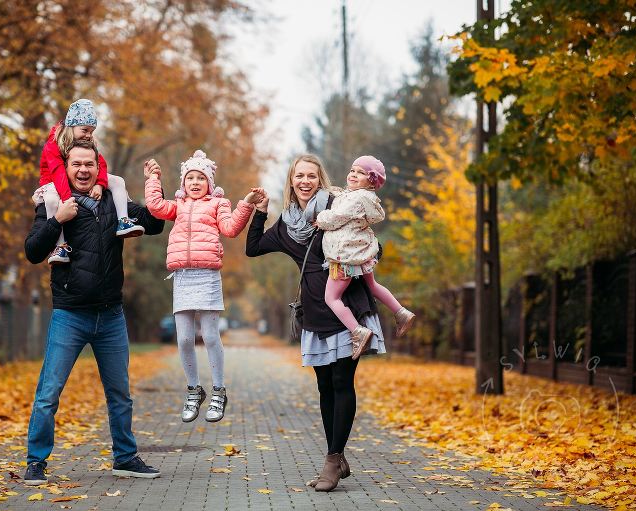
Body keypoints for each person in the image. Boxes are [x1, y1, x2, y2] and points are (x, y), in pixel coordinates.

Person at [23, 139, 164, 485]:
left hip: (111, 316)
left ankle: (125, 458)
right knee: (48, 394)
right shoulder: (55, 201)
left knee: (120, 394)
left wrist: (154, 184)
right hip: (70, 315)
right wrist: (58, 219)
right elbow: (32, 251)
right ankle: (36, 462)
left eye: (90, 164)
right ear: (66, 168)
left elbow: (156, 223)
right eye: (77, 164)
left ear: (97, 166)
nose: (83, 170)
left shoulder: (112, 201)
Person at [245, 154, 385, 492]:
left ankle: (332, 460)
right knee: (324, 387)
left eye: (311, 175)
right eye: (299, 176)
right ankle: (335, 455)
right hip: (315, 311)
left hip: (347, 306)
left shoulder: (339, 205)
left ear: (319, 178)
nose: (305, 181)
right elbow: (252, 248)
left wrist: (362, 258)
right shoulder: (285, 225)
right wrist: (260, 211)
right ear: (291, 181)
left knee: (341, 381)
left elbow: (375, 245)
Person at [144, 150, 262, 423]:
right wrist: (153, 178)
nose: (195, 183)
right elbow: (155, 207)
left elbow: (231, 228)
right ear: (183, 182)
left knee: (209, 336)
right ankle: (194, 390)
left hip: (207, 274)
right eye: (190, 178)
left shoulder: (217, 204)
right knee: (184, 338)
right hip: (183, 276)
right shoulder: (178, 205)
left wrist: (246, 203)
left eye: (200, 178)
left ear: (209, 182)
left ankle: (219, 391)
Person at [316, 155, 415, 359]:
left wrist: (320, 218)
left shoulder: (357, 199)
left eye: (360, 173)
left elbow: (335, 218)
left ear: (371, 180)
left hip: (344, 257)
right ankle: (401, 312)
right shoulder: (363, 197)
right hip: (359, 254)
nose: (353, 175)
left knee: (331, 297)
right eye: (352, 170)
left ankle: (357, 331)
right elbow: (346, 200)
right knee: (372, 285)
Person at [35, 98, 143, 265]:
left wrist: (100, 184)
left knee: (118, 181)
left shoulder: (87, 144)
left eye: (92, 131)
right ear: (71, 126)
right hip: (53, 182)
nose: (88, 135)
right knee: (50, 200)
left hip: (73, 182)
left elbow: (102, 165)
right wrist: (67, 199)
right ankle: (60, 246)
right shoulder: (54, 144)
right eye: (85, 130)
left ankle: (123, 221)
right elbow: (58, 173)